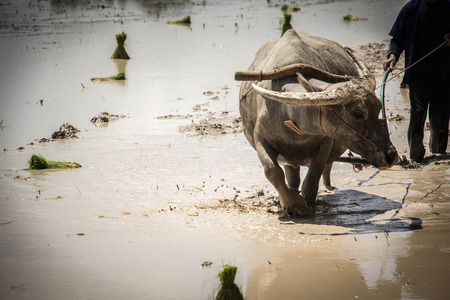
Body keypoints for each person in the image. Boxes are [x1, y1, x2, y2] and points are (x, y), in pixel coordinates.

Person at [383, 0, 450, 161]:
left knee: (440, 120)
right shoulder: (410, 9)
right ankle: (416, 157)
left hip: (445, 75)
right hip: (419, 75)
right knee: (417, 116)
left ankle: (438, 155)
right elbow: (397, 40)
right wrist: (393, 56)